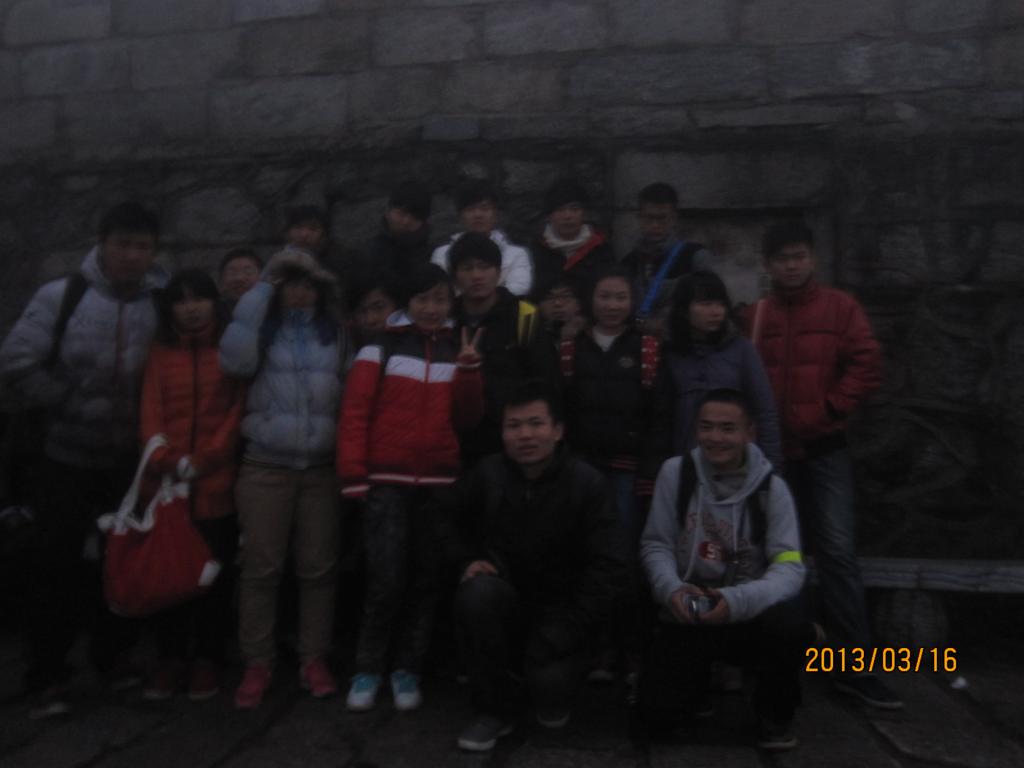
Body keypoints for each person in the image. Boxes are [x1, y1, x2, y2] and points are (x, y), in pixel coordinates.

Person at [0, 201, 168, 718]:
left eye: (142, 246)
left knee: (121, 563)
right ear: (102, 242)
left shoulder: (159, 303)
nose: (132, 255)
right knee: (55, 566)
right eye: (123, 244)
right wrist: (66, 400)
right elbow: (15, 361)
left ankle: (113, 659)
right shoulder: (63, 296)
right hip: (64, 456)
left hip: (127, 461)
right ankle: (47, 674)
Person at [742, 221, 901, 710]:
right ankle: (782, 658)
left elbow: (866, 365)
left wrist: (830, 408)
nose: (791, 266)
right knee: (774, 555)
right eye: (782, 258)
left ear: (813, 258)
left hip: (826, 448)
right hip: (773, 455)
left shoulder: (840, 308)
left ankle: (855, 667)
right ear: (768, 265)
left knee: (837, 553)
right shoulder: (756, 315)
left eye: (799, 256)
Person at [338, 262, 484, 713]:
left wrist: (469, 372)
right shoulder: (380, 347)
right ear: (407, 303)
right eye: (422, 298)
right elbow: (355, 412)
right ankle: (367, 668)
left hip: (438, 483)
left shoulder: (458, 347)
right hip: (385, 480)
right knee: (385, 579)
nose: (431, 307)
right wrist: (353, 475)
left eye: (440, 299)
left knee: (426, 579)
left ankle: (407, 669)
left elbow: (468, 419)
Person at [452, 381, 627, 752]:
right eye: (514, 426)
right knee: (477, 593)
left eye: (536, 423)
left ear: (558, 430)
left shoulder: (587, 484)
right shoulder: (487, 474)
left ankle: (544, 685)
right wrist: (466, 561)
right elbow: (447, 523)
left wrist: (563, 633)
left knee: (550, 689)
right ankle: (492, 710)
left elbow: (608, 567)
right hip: (507, 601)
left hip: (565, 615)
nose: (525, 435)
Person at [638, 388, 809, 751]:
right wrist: (672, 590)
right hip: (686, 609)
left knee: (791, 624)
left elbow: (790, 568)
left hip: (746, 611)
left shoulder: (773, 490)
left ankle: (775, 712)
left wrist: (735, 601)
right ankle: (693, 687)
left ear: (750, 433)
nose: (715, 437)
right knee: (654, 722)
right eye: (706, 427)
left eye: (728, 428)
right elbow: (656, 544)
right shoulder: (676, 473)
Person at [219, 249, 345, 710]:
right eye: (291, 282)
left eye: (308, 283)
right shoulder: (259, 328)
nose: (300, 291)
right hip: (266, 465)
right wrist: (264, 284)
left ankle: (314, 658)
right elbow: (233, 361)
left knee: (318, 570)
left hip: (320, 469)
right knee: (260, 569)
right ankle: (258, 662)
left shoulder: (336, 332)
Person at [138, 269, 245, 701]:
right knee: (168, 574)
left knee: (214, 574)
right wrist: (164, 458)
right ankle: (170, 656)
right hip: (166, 485)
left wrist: (205, 459)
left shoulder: (230, 350)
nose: (191, 308)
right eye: (181, 300)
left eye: (199, 298)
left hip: (216, 481)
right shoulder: (159, 353)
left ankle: (208, 657)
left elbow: (236, 411)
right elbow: (150, 410)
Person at [558, 265, 666, 684]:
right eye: (604, 296)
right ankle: (596, 647)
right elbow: (563, 407)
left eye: (621, 296)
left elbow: (659, 414)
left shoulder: (648, 348)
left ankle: (631, 648)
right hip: (582, 467)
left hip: (627, 469)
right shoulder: (571, 347)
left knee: (625, 557)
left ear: (633, 301)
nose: (612, 305)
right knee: (586, 555)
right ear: (591, 300)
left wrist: (650, 470)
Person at [447, 232, 556, 466]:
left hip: (512, 443)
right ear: (454, 277)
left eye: (484, 267)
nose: (476, 275)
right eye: (467, 268)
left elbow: (546, 380)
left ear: (498, 272)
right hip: (454, 443)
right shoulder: (446, 319)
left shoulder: (524, 315)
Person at [660, 270, 783, 471]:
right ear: (684, 309)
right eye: (706, 304)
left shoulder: (741, 350)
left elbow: (765, 411)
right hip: (685, 465)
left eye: (720, 304)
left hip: (736, 464)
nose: (716, 312)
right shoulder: (669, 353)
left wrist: (771, 469)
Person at [621, 183, 712, 338]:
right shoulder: (628, 263)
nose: (655, 225)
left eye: (662, 218)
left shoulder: (695, 256)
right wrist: (641, 324)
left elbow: (710, 303)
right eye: (649, 218)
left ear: (674, 218)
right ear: (639, 218)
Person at [431, 179, 532, 296]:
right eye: (470, 209)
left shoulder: (516, 254)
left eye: (485, 208)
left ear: (496, 214)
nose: (478, 215)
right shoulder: (442, 254)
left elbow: (519, 287)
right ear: (460, 216)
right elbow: (440, 290)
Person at [530, 179, 613, 300]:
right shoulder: (535, 251)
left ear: (584, 214)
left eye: (574, 209)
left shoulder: (601, 251)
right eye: (560, 210)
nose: (567, 216)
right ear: (549, 216)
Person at [364, 180, 433, 277]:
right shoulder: (372, 252)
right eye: (401, 214)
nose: (406, 221)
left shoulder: (435, 255)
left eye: (415, 217)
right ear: (388, 211)